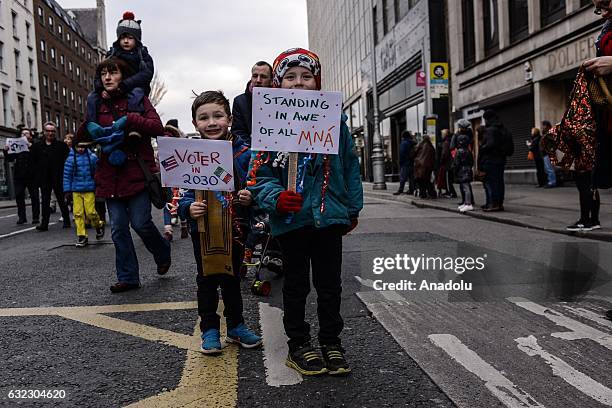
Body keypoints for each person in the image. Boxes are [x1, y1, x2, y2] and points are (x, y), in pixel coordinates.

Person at [248, 48, 363, 376]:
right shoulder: (269, 127)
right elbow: (258, 176)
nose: (299, 83)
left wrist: (352, 208)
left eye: (306, 77)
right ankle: (298, 343)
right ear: (279, 84)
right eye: (290, 77)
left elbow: (350, 166)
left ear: (318, 82)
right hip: (291, 220)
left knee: (330, 284)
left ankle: (331, 342)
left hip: (329, 217)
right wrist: (275, 198)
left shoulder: (335, 123)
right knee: (296, 285)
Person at [76, 57, 171, 293]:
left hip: (137, 171)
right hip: (110, 175)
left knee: (141, 223)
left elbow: (157, 127)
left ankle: (162, 252)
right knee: (118, 228)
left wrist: (129, 120)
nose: (107, 77)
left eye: (112, 72)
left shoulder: (137, 98)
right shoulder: (95, 102)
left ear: (123, 75)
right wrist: (89, 127)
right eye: (103, 74)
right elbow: (79, 138)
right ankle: (128, 277)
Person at [178, 91, 262, 354]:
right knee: (206, 279)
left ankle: (236, 326)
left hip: (235, 228)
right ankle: (210, 329)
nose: (211, 122)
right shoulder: (189, 155)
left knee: (232, 278)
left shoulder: (244, 153)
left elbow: (257, 184)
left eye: (217, 116)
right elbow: (181, 194)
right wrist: (188, 207)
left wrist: (251, 197)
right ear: (194, 124)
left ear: (230, 118)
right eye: (203, 118)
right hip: (202, 229)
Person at [88, 11, 154, 122]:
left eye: (130, 38)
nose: (126, 41)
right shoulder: (112, 54)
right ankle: (91, 124)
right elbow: (99, 73)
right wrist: (100, 89)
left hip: (133, 87)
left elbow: (146, 74)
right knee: (92, 97)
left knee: (136, 95)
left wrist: (125, 85)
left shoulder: (142, 55)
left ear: (137, 39)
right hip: (113, 87)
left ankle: (134, 123)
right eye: (123, 38)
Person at [30, 122, 71, 231]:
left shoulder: (61, 146)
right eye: (48, 131)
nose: (50, 133)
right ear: (44, 132)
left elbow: (68, 162)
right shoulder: (37, 146)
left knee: (61, 200)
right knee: (45, 201)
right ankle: (44, 224)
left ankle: (66, 220)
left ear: (55, 132)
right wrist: (36, 177)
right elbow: (33, 162)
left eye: (52, 131)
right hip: (44, 178)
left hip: (58, 177)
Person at [62, 142, 104, 247]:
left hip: (89, 189)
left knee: (91, 212)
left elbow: (98, 172)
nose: (80, 149)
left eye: (82, 147)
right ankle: (82, 235)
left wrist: (99, 185)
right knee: (78, 213)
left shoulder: (92, 158)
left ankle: (98, 225)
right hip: (76, 190)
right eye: (78, 147)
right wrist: (67, 190)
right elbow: (67, 176)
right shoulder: (71, 159)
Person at [231, 61, 273, 146]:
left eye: (263, 77)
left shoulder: (280, 101)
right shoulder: (239, 101)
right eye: (255, 76)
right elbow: (238, 131)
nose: (258, 80)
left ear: (271, 80)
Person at [4, 128, 40, 224]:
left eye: (26, 133)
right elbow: (10, 159)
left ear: (30, 136)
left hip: (32, 175)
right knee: (19, 196)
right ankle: (22, 217)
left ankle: (35, 217)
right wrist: (6, 151)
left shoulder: (36, 145)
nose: (24, 135)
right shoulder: (16, 146)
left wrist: (31, 147)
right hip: (19, 175)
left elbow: (39, 157)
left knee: (34, 197)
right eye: (22, 133)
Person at [480, 109, 511, 212]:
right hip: (501, 160)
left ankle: (493, 204)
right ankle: (498, 203)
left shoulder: (490, 130)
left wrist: (482, 147)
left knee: (491, 183)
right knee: (499, 182)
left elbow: (490, 144)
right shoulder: (504, 129)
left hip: (490, 160)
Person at [454, 130, 475, 212]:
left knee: (465, 188)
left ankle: (468, 204)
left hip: (461, 171)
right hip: (468, 170)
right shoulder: (469, 151)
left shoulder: (459, 152)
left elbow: (456, 163)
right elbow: (472, 162)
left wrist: (455, 171)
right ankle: (466, 203)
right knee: (466, 186)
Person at [414, 135, 437, 199]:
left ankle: (423, 194)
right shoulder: (431, 146)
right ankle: (431, 193)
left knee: (421, 181)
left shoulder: (421, 145)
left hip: (420, 166)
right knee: (427, 181)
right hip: (428, 167)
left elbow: (414, 153)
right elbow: (434, 157)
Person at [393, 130, 416, 195]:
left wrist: (400, 162)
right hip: (412, 162)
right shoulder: (412, 143)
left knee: (403, 177)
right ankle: (412, 189)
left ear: (403, 137)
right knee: (411, 177)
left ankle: (400, 190)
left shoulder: (404, 143)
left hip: (405, 163)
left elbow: (402, 153)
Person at [437, 129, 457, 198]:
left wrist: (441, 161)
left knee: (448, 179)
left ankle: (450, 192)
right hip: (450, 162)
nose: (441, 136)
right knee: (449, 179)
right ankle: (450, 192)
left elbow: (444, 153)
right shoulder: (450, 140)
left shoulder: (446, 142)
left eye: (442, 134)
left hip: (447, 164)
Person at [540, 121, 557, 188]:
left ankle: (552, 182)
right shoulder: (545, 133)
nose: (542, 127)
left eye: (543, 125)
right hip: (545, 153)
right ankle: (550, 181)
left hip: (548, 153)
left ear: (546, 126)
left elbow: (554, 142)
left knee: (549, 169)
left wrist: (550, 149)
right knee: (547, 169)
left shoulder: (549, 133)